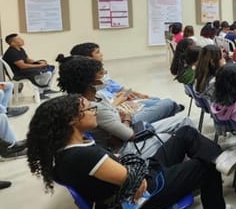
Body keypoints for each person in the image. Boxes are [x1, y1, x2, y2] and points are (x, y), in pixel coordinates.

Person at [26, 95, 236, 209]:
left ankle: (218, 158)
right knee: (204, 167)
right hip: (138, 198)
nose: (94, 111)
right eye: (88, 109)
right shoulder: (82, 157)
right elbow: (136, 182)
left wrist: (130, 168)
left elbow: (127, 169)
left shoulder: (66, 149)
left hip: (135, 181)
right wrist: (132, 172)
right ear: (73, 120)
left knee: (185, 133)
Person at [57, 56, 191, 158]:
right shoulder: (92, 108)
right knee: (181, 136)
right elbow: (129, 135)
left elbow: (116, 116)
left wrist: (123, 119)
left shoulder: (96, 96)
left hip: (125, 132)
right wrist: (126, 119)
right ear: (90, 81)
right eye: (101, 74)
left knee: (184, 121)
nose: (105, 76)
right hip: (125, 149)